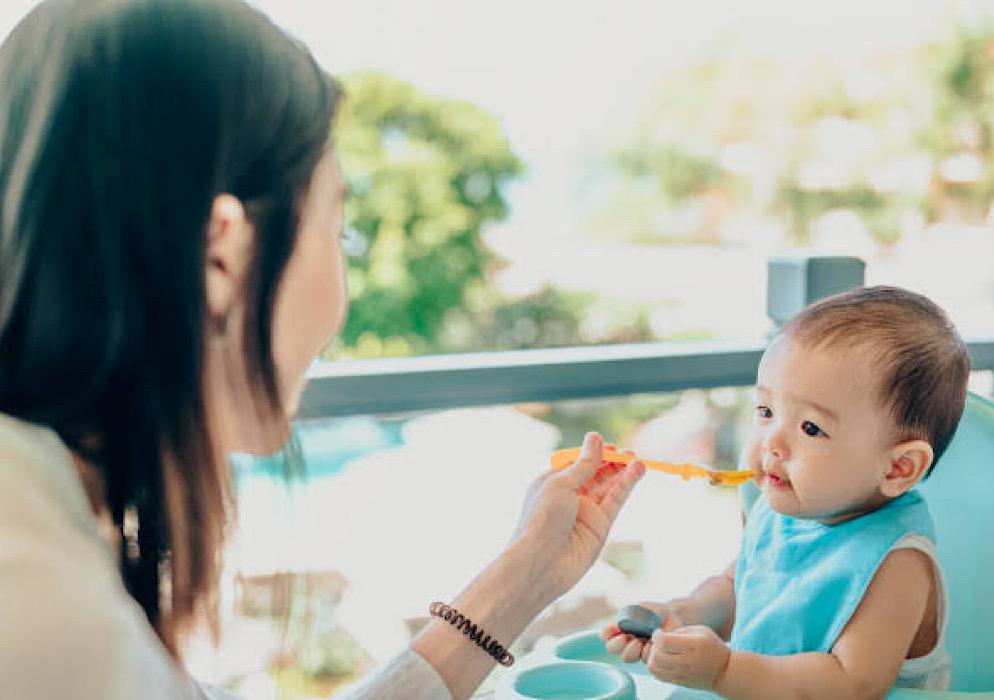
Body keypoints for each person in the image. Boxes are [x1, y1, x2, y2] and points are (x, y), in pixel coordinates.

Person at [0, 1, 646, 698]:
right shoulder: (50, 619)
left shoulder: (45, 529)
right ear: (223, 253)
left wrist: (529, 574)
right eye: (335, 229)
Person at [602, 286, 971, 698]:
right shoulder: (785, 508)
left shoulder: (897, 562)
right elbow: (737, 588)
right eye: (766, 412)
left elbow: (850, 684)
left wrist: (723, 670)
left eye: (810, 428)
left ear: (898, 468)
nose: (770, 443)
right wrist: (682, 613)